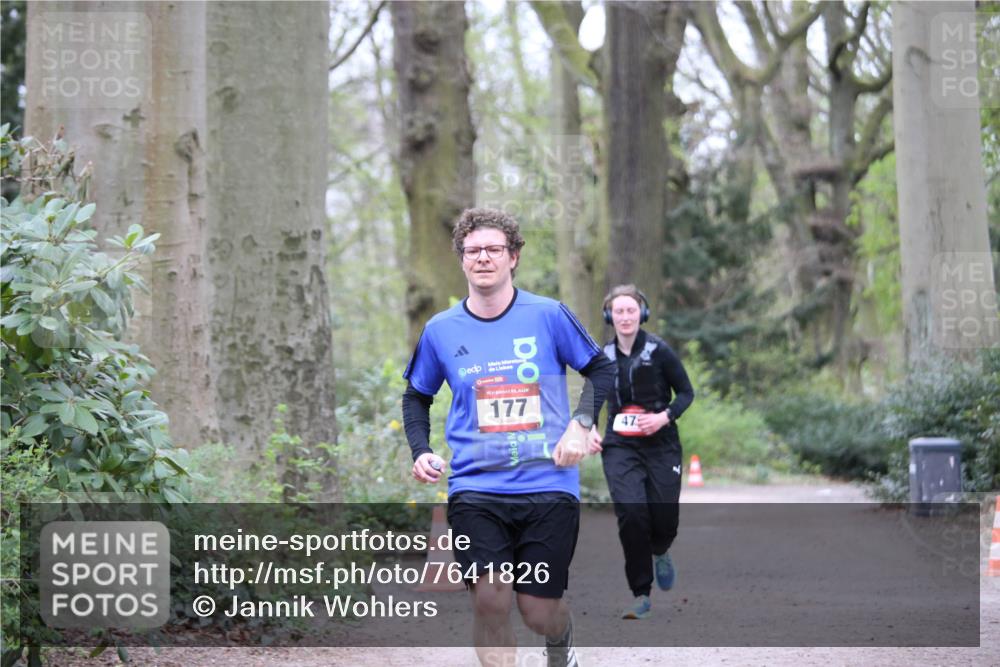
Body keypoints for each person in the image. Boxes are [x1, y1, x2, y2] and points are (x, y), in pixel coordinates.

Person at [402, 207, 615, 667]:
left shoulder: (549, 314)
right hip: (476, 488)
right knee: (491, 600)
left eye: (494, 249)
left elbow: (601, 368)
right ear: (461, 259)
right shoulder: (440, 330)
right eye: (473, 250)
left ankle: (560, 643)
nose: (483, 258)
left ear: (513, 256)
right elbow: (416, 397)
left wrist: (581, 422)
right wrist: (420, 451)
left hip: (548, 485)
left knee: (538, 612)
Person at [585, 284, 694, 620]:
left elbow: (686, 394)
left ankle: (661, 550)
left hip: (661, 445)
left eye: (631, 310)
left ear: (642, 314)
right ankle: (641, 594)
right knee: (631, 514)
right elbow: (591, 399)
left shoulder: (660, 351)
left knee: (664, 517)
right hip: (620, 446)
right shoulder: (602, 356)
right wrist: (588, 427)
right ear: (609, 316)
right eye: (619, 311)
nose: (625, 317)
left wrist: (664, 417)